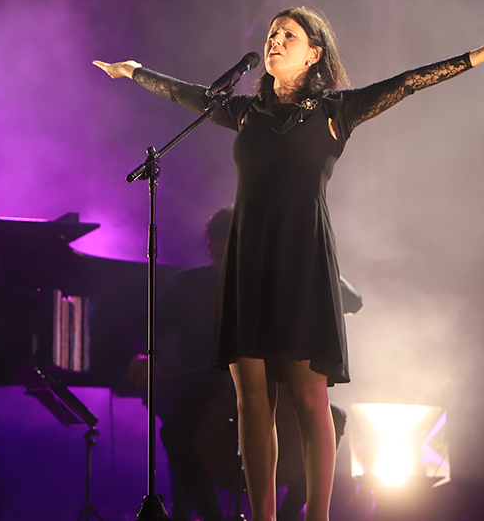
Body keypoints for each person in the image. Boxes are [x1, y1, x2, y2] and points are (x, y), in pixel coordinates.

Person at [95, 8, 484, 521]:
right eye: (271, 35)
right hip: (248, 261)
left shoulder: (338, 110)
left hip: (302, 260)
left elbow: (410, 82)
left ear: (314, 54)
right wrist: (133, 71)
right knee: (252, 401)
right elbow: (190, 95)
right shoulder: (244, 112)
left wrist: (481, 54)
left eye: (288, 35)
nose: (275, 41)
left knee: (310, 398)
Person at [129, 206, 355, 521]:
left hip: (275, 391)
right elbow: (148, 324)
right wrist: (142, 353)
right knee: (176, 433)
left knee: (335, 418)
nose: (220, 264)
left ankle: (290, 513)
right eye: (214, 254)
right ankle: (213, 517)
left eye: (229, 255)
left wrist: (313, 265)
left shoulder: (276, 284)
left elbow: (353, 301)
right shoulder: (191, 284)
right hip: (206, 395)